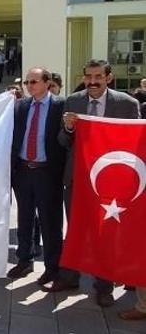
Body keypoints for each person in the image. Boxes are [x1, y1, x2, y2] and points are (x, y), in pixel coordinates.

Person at [50, 59, 140, 307]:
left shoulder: (127, 104)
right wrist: (68, 129)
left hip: (110, 184)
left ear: (109, 78)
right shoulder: (74, 101)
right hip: (77, 179)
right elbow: (62, 142)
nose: (92, 81)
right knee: (76, 229)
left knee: (106, 234)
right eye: (88, 76)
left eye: (98, 76)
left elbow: (134, 144)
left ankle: (104, 286)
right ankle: (70, 277)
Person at [7, 68, 66, 287]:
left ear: (47, 82)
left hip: (47, 172)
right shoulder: (21, 106)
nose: (30, 85)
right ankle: (25, 259)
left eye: (34, 81)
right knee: (24, 217)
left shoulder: (61, 105)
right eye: (27, 82)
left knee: (50, 221)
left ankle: (52, 267)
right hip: (23, 170)